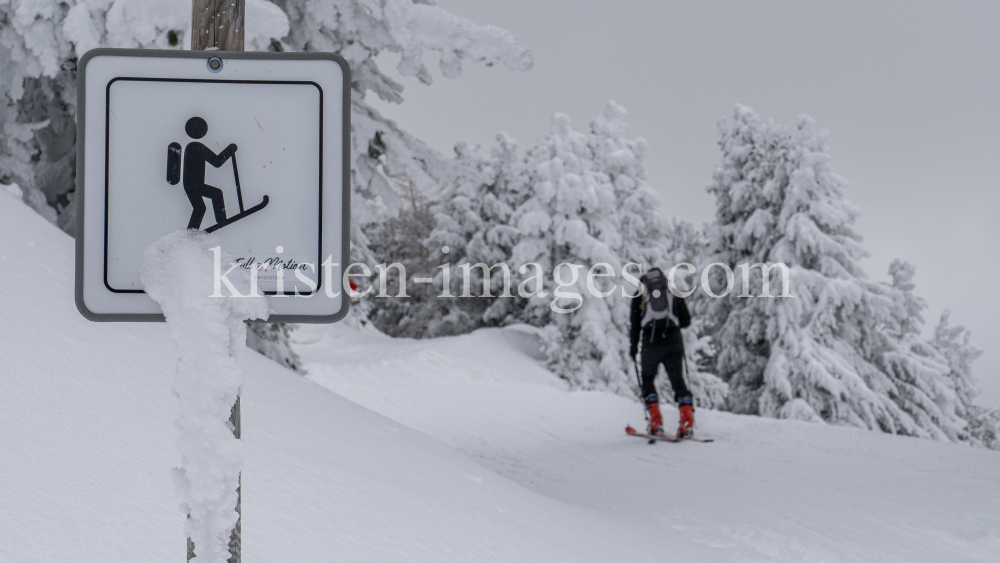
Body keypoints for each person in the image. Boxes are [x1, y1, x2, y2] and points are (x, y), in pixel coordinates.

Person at [629, 267, 694, 438]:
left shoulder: (640, 295)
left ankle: (655, 423)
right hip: (673, 342)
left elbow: (635, 326)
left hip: (650, 344)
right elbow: (686, 321)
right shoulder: (672, 292)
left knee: (648, 380)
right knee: (678, 382)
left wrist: (633, 349)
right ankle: (687, 423)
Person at [180, 116, 237, 230]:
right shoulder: (197, 147)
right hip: (195, 185)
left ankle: (191, 232)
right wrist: (230, 149)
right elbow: (217, 162)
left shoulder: (191, 147)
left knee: (199, 208)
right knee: (216, 194)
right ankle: (221, 220)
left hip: (190, 184)